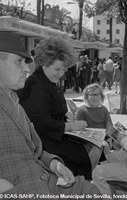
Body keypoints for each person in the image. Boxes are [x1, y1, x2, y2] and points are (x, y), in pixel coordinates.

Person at [0, 31, 101, 197]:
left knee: (91, 189)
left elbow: (33, 148)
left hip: (41, 174)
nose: (27, 69)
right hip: (23, 185)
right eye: (19, 62)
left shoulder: (13, 96)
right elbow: (41, 125)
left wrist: (54, 164)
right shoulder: (33, 87)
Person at [17, 36, 94, 180]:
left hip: (52, 134)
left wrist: (66, 120)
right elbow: (41, 123)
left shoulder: (45, 79)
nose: (61, 73)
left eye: (64, 69)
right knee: (78, 154)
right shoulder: (36, 86)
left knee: (89, 149)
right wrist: (69, 126)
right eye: (58, 69)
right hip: (41, 140)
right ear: (44, 64)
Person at [75, 83, 112, 169]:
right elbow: (78, 128)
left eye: (98, 94)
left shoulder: (104, 110)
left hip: (103, 136)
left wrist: (109, 137)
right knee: (102, 146)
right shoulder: (82, 110)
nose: (95, 97)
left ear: (101, 96)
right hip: (87, 139)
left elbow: (109, 126)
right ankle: (92, 171)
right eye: (92, 95)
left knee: (122, 142)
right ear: (86, 97)